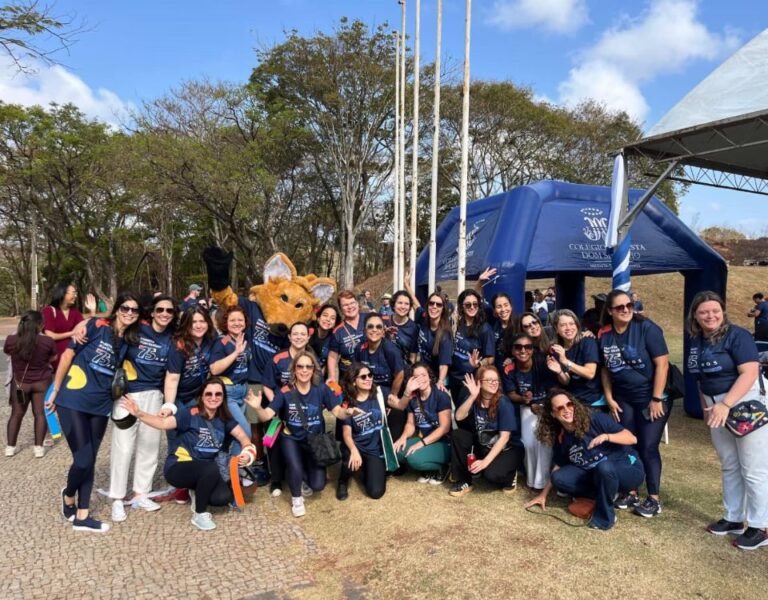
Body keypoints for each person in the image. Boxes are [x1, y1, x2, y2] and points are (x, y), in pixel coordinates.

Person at [47, 292, 141, 533]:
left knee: (90, 457)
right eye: (125, 308)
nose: (129, 313)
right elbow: (68, 355)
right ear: (117, 309)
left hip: (101, 406)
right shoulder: (96, 326)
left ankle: (82, 515)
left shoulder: (129, 340)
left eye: (134, 310)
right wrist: (55, 391)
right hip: (74, 399)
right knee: (84, 459)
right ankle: (69, 496)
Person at [687, 291, 768, 550]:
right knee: (729, 465)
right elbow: (700, 378)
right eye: (703, 312)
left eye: (715, 311)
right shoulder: (697, 340)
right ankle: (734, 518)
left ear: (723, 312)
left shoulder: (737, 335)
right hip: (715, 406)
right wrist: (706, 408)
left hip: (743, 404)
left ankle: (760, 525)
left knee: (753, 468)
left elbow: (750, 373)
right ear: (695, 316)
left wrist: (725, 404)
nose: (710, 316)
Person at [121, 377, 255, 531]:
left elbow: (244, 438)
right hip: (179, 467)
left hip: (205, 471)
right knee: (210, 468)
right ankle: (199, 514)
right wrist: (139, 413)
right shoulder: (190, 414)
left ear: (223, 397)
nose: (213, 398)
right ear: (202, 396)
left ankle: (195, 489)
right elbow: (162, 423)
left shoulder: (225, 419)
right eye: (208, 394)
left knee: (221, 498)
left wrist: (247, 453)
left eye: (218, 394)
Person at [246, 351, 360, 517]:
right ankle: (296, 498)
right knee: (295, 467)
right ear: (294, 369)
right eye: (300, 366)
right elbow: (267, 415)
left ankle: (300, 477)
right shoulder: (285, 391)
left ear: (314, 369)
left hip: (314, 440)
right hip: (291, 437)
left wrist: (348, 412)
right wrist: (257, 407)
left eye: (308, 366)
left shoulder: (322, 389)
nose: (304, 370)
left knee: (318, 485)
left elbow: (337, 412)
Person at [525, 389, 645, 531]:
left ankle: (606, 518)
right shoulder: (562, 437)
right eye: (560, 408)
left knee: (604, 467)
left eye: (569, 404)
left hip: (628, 468)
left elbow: (632, 438)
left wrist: (607, 436)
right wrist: (543, 495)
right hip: (598, 473)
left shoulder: (595, 419)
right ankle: (606, 495)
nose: (567, 410)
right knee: (559, 478)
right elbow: (559, 464)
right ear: (553, 414)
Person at [599, 289, 670, 518]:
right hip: (623, 398)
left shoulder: (646, 328)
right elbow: (605, 369)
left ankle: (654, 498)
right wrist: (609, 398)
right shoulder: (605, 333)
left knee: (648, 446)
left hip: (651, 398)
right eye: (620, 307)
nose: (626, 310)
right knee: (627, 444)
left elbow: (662, 365)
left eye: (629, 305)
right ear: (610, 311)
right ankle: (631, 490)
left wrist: (656, 398)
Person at [109, 295, 177, 522]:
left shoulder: (172, 339)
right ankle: (117, 497)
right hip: (128, 395)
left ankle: (141, 493)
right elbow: (115, 352)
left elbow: (171, 376)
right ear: (152, 312)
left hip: (154, 396)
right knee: (123, 446)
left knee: (149, 446)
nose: (164, 314)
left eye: (169, 311)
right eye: (160, 310)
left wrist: (168, 403)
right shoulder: (138, 330)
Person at [161, 306, 216, 504]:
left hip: (198, 397)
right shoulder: (179, 345)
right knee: (176, 442)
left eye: (202, 321)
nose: (199, 325)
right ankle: (179, 485)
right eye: (194, 322)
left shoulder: (211, 340)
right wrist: (169, 405)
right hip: (179, 398)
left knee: (196, 440)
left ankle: (196, 480)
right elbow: (172, 378)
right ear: (187, 324)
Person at [448, 367, 523, 497]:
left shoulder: (503, 402)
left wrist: (485, 462)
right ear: (480, 383)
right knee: (458, 435)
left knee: (491, 475)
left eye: (496, 380)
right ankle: (464, 481)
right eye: (489, 380)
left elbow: (504, 438)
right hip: (483, 445)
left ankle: (510, 475)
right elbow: (459, 417)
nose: (494, 383)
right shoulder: (474, 399)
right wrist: (472, 396)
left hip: (507, 449)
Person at [503, 333, 563, 490]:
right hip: (525, 407)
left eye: (527, 347)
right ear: (512, 350)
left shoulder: (542, 363)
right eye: (518, 347)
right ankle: (533, 480)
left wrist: (544, 406)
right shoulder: (509, 368)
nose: (523, 350)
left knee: (544, 441)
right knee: (529, 443)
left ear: (533, 350)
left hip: (548, 404)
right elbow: (510, 394)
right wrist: (525, 400)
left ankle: (543, 480)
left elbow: (555, 388)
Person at [261, 321, 312, 496]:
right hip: (279, 410)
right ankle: (276, 481)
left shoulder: (312, 359)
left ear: (308, 337)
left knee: (303, 443)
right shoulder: (278, 358)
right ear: (289, 337)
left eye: (302, 334)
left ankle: (303, 477)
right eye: (295, 334)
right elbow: (267, 385)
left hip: (303, 413)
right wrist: (276, 405)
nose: (299, 337)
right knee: (274, 445)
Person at [4, 311, 56, 457]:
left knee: (16, 414)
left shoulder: (11, 340)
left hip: (20, 384)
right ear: (40, 325)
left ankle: (10, 447)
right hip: (42, 383)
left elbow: (8, 353)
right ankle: (38, 448)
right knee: (40, 414)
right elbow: (53, 357)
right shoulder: (47, 341)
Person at [392, 363, 452, 484]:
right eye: (416, 377)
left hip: (444, 443)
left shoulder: (441, 395)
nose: (421, 379)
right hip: (425, 439)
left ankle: (442, 468)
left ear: (429, 376)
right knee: (397, 451)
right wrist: (403, 437)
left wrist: (421, 443)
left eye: (424, 375)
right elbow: (410, 424)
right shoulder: (413, 397)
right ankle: (428, 467)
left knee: (414, 459)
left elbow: (444, 428)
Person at [337, 362, 388, 501]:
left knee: (376, 492)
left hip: (374, 449)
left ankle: (365, 469)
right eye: (363, 377)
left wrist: (407, 394)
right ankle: (343, 480)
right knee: (349, 457)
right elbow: (346, 433)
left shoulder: (379, 394)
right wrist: (354, 450)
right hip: (357, 446)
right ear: (354, 382)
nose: (368, 379)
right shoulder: (348, 403)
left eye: (370, 375)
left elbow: (398, 405)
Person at [449, 289, 495, 407]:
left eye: (475, 304)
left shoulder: (485, 328)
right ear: (461, 306)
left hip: (472, 381)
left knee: (469, 416)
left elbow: (490, 358)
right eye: (468, 304)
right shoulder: (456, 324)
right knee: (458, 415)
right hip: (455, 379)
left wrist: (478, 364)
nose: (472, 307)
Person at [549, 310, 602, 408]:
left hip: (592, 401)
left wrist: (565, 361)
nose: (568, 328)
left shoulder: (587, 342)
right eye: (563, 325)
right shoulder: (557, 350)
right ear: (556, 329)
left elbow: (590, 373)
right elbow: (566, 381)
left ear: (577, 325)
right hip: (572, 401)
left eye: (571, 324)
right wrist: (559, 371)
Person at [42, 282, 95, 371]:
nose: (75, 296)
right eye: (73, 293)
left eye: (76, 293)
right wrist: (72, 333)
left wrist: (92, 311)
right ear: (63, 293)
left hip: (72, 361)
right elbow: (50, 335)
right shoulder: (49, 311)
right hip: (53, 362)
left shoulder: (75, 312)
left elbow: (85, 328)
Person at [413, 292, 453, 391]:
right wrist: (407, 285)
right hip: (422, 374)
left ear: (443, 309)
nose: (434, 306)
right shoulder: (424, 318)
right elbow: (417, 305)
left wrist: (440, 381)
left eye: (438, 304)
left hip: (435, 379)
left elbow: (444, 365)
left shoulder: (445, 335)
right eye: (431, 303)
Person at [326, 290, 368, 384]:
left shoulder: (369, 319)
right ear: (341, 309)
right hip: (348, 378)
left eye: (352, 303)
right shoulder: (338, 331)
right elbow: (332, 356)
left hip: (369, 376)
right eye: (345, 305)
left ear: (357, 304)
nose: (350, 307)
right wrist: (332, 376)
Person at [382, 290, 419, 364]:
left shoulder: (414, 328)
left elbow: (412, 356)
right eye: (400, 303)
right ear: (393, 304)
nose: (403, 307)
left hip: (403, 369)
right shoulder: (383, 321)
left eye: (406, 304)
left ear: (410, 307)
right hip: (383, 367)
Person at [308, 303, 341, 373]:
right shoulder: (308, 333)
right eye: (325, 315)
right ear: (318, 317)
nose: (328, 319)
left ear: (335, 323)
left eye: (332, 318)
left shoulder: (334, 339)